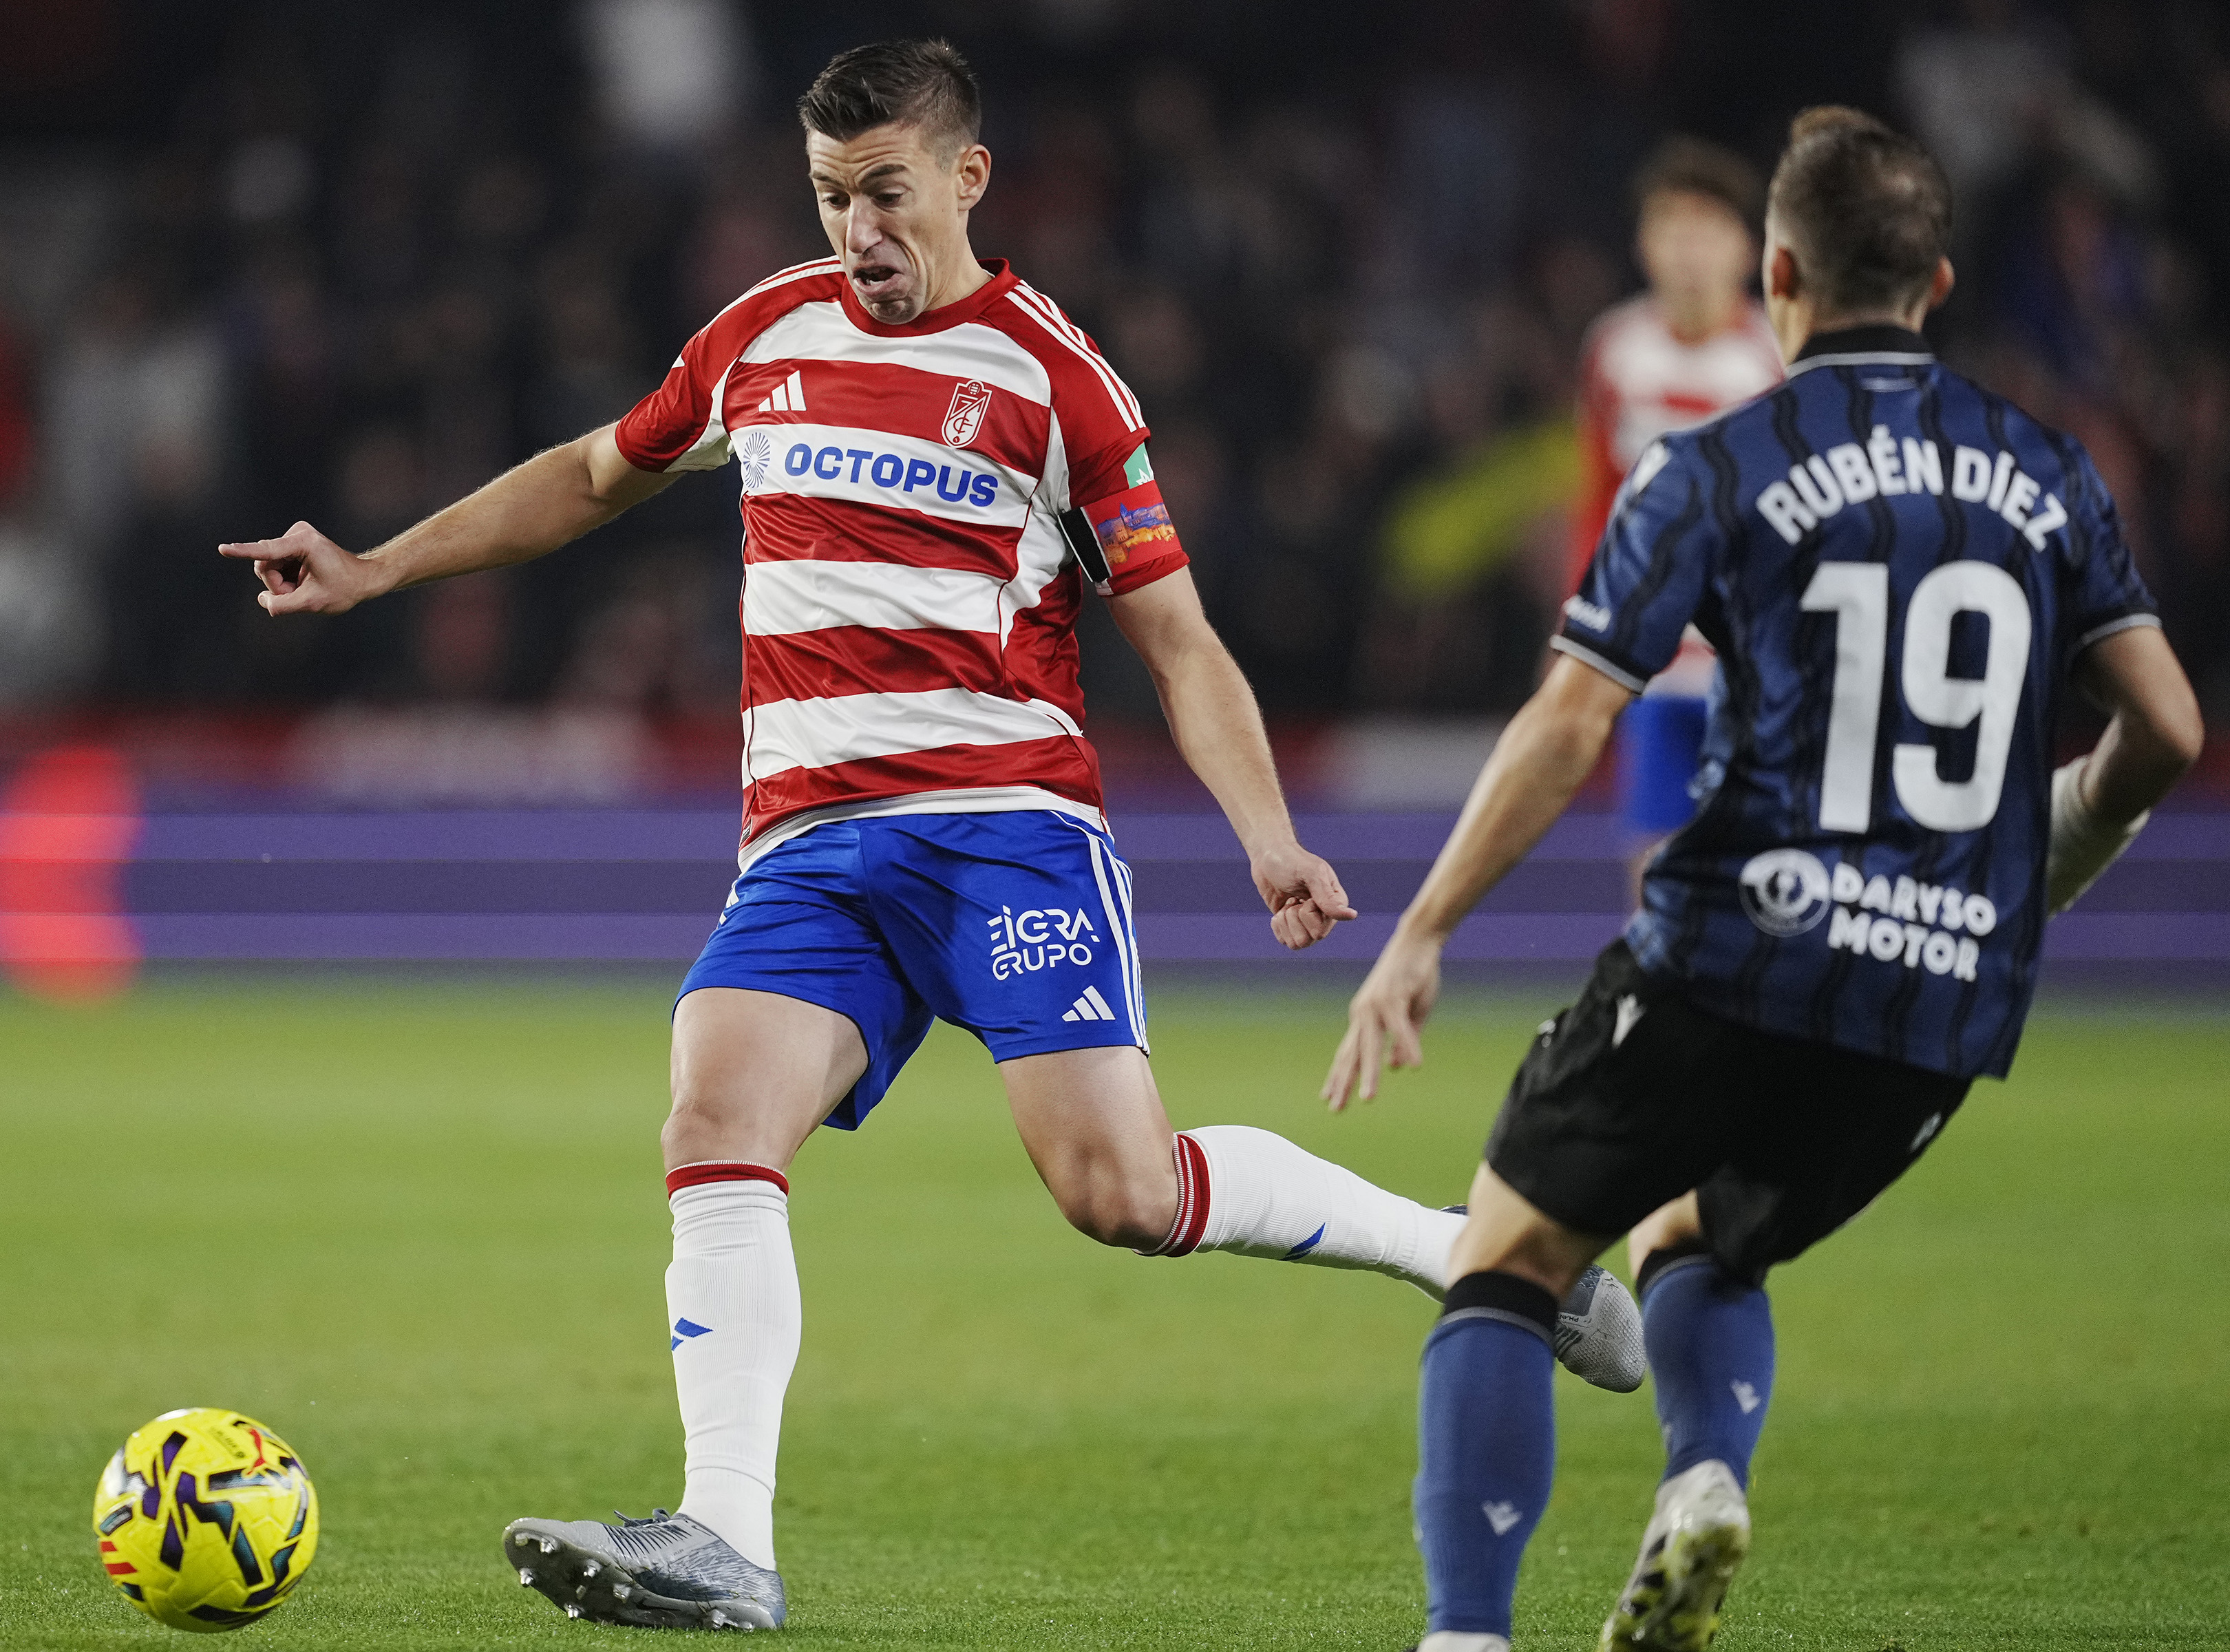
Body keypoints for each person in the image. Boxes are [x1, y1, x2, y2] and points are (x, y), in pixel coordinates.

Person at [220, 38, 1644, 1634]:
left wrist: (1266, 832)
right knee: (712, 1114)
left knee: (1118, 1188)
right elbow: (587, 474)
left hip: (1003, 832)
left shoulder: (1057, 377)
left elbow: (1176, 637)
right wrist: (377, 567)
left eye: (885, 195)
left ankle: (1466, 1249)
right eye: (832, 198)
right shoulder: (762, 333)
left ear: (966, 178)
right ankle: (722, 1534)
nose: (857, 232)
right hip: (810, 844)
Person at [1324, 106, 2202, 1652]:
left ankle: (1463, 1635)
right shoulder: (2052, 473)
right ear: (1934, 280)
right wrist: (2039, 861)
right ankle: (1706, 1473)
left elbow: (1572, 713)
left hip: (1748, 944)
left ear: (1777, 273)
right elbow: (2170, 727)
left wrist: (1425, 927)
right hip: (1939, 998)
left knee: (1510, 1256)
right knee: (1699, 1234)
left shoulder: (1724, 463)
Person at [1569, 138, 1783, 876]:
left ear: (1747, 247)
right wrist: (1581, 616)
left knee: (1760, 879)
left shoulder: (1778, 360)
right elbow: (1598, 501)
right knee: (1653, 875)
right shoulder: (1615, 352)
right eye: (1673, 229)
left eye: (1708, 230)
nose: (1690, 251)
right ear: (1644, 244)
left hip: (1755, 661)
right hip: (1654, 660)